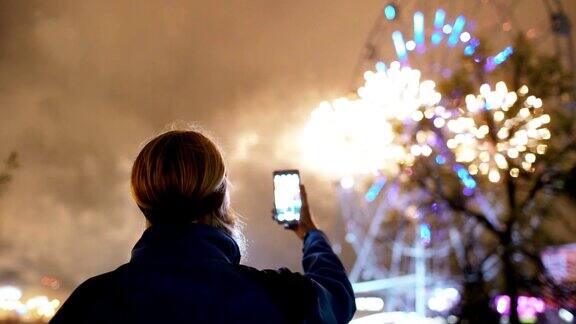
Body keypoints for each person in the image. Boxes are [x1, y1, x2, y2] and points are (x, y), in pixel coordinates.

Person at [51, 128, 356, 324]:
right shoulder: (277, 296)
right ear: (221, 199)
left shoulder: (90, 302)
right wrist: (310, 235)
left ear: (142, 203)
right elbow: (338, 296)